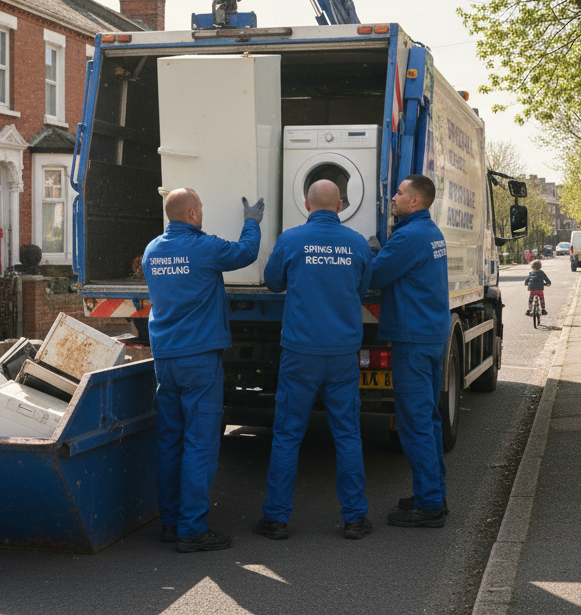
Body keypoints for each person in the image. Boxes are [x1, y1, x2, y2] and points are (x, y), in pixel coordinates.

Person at [142, 188, 264, 553]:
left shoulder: (153, 250)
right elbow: (246, 253)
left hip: (166, 359)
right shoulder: (204, 248)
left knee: (170, 441)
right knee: (200, 443)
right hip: (199, 359)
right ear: (194, 213)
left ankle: (171, 522)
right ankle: (192, 529)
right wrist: (251, 222)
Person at [254, 180, 374, 541]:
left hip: (300, 354)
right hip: (341, 354)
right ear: (340, 205)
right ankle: (354, 519)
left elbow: (273, 282)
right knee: (348, 435)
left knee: (288, 435)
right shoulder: (357, 242)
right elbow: (363, 286)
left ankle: (276, 519)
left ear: (307, 204)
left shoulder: (291, 240)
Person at [368, 174, 451, 528]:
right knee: (428, 420)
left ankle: (429, 505)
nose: (395, 197)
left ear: (415, 201)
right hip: (431, 336)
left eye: (400, 193)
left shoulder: (409, 237)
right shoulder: (430, 232)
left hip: (412, 341)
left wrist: (371, 249)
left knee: (415, 423)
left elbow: (374, 277)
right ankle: (431, 493)